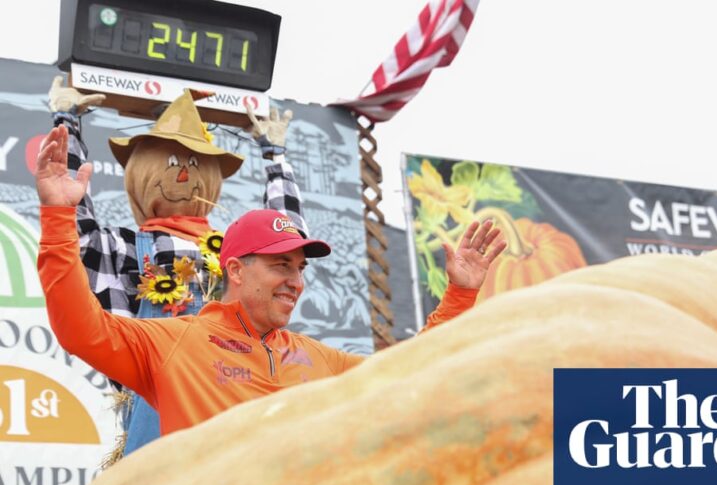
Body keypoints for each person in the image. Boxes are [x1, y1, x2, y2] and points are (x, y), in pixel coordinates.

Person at [35, 125, 507, 436]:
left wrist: (460, 293)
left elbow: (407, 371)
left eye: (301, 268)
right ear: (235, 270)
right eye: (281, 265)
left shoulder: (317, 358)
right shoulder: (173, 343)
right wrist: (59, 215)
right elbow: (81, 328)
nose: (296, 281)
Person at [48, 78, 306, 453]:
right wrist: (66, 122)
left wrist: (275, 157)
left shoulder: (231, 250)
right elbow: (74, 225)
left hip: (239, 412)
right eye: (171, 164)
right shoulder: (122, 248)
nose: (184, 176)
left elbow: (287, 244)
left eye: (193, 164)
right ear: (142, 175)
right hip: (160, 426)